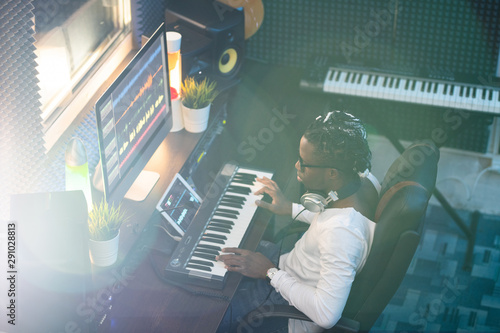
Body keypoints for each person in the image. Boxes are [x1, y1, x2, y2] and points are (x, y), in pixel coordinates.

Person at [217, 111, 381, 333]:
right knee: (222, 253)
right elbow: (330, 219)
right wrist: (290, 208)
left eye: (304, 163)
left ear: (332, 173)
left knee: (209, 313)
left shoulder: (342, 234)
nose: (296, 165)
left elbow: (326, 315)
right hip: (287, 269)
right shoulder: (363, 180)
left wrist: (270, 273)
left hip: (283, 306)